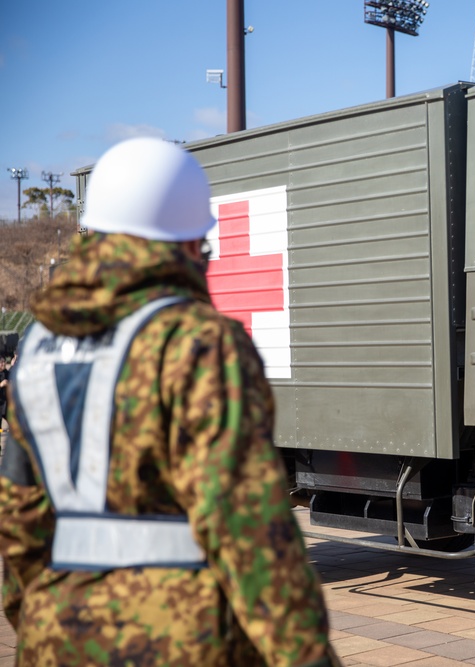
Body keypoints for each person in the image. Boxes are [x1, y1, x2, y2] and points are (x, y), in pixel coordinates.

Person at [0, 137, 340, 667]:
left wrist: (44, 619)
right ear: (184, 244)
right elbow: (250, 534)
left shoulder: (39, 343)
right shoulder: (200, 343)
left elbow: (19, 524)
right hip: (182, 643)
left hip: (54, 640)